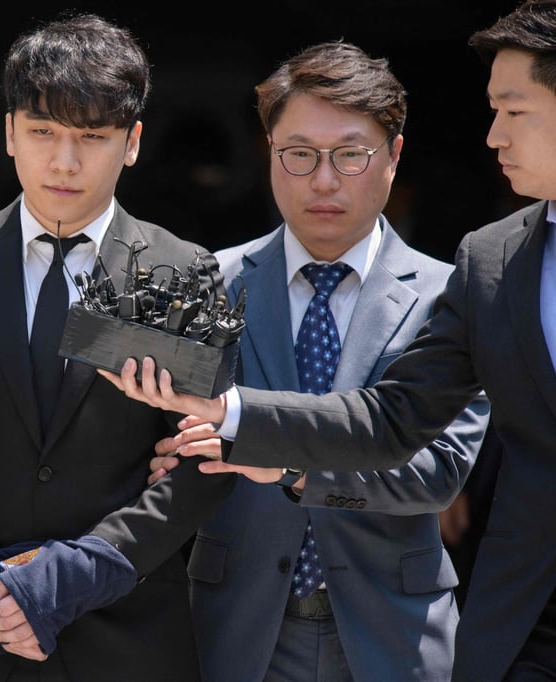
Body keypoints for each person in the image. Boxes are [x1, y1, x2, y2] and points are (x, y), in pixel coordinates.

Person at [101, 1, 556, 679]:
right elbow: (133, 436)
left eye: (348, 156)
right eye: (299, 154)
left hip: (394, 637)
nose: (322, 180)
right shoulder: (204, 280)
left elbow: (432, 472)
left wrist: (287, 466)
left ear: (393, 158)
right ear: (267, 155)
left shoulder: (454, 286)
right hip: (237, 631)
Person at [0, 11, 237, 681]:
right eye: (42, 133)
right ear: (8, 133)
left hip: (123, 633)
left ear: (132, 142)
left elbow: (203, 459)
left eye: (92, 137)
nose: (64, 162)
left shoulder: (182, 273)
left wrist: (75, 575)